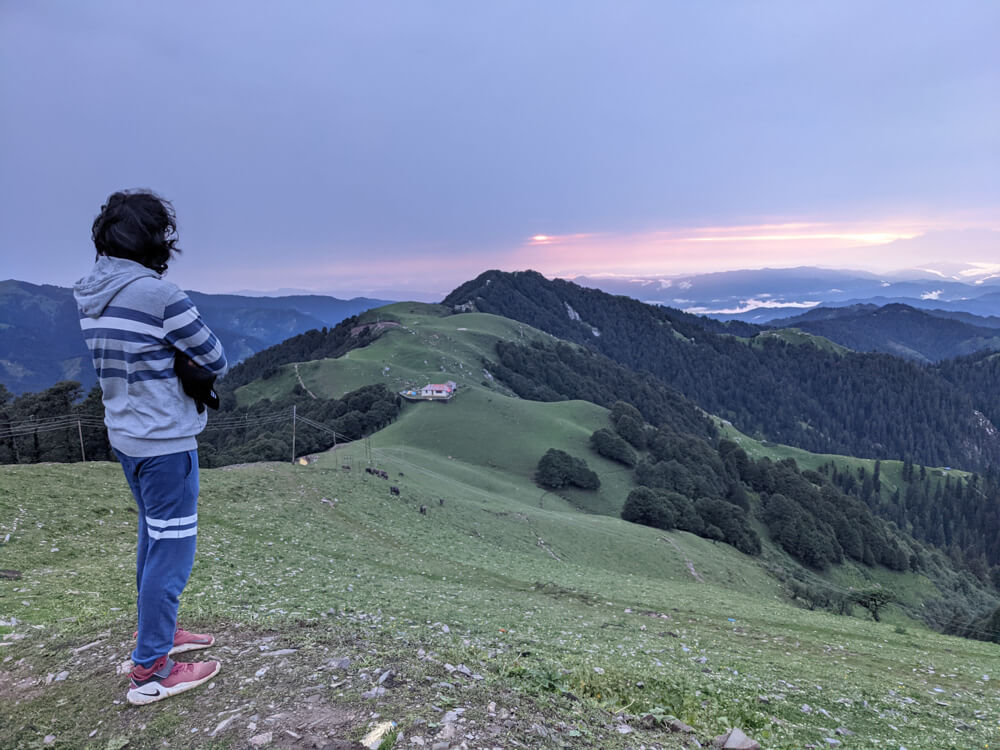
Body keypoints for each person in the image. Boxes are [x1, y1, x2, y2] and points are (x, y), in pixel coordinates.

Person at [73, 189, 228, 705]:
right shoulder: (158, 296)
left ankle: (158, 635)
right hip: (165, 442)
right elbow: (215, 357)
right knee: (173, 551)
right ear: (155, 239)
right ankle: (151, 672)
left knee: (152, 537)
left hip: (127, 438)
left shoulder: (89, 293)